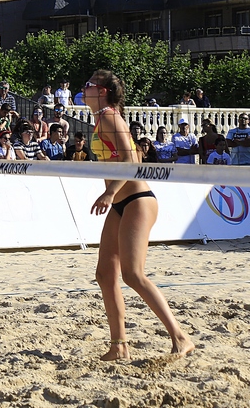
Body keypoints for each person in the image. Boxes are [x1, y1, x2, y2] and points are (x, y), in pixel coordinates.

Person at [84, 70, 193, 360]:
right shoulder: (102, 117)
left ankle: (180, 337)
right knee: (105, 274)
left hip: (136, 200)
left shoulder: (109, 116)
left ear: (103, 91)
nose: (84, 88)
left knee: (133, 273)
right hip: (122, 202)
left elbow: (131, 159)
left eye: (89, 85)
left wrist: (109, 192)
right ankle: (119, 346)